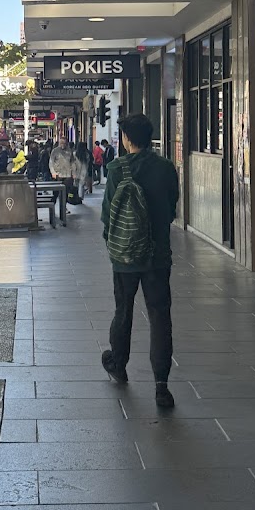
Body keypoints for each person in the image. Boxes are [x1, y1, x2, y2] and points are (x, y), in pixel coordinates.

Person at [100, 113, 179, 411]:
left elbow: (107, 216)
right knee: (160, 316)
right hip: (157, 255)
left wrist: (115, 242)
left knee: (123, 309)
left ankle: (118, 363)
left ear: (126, 139)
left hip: (125, 257)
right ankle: (161, 385)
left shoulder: (116, 169)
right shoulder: (166, 168)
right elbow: (171, 208)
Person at [49, 137, 76, 201]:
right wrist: (53, 172)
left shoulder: (69, 151)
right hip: (58, 174)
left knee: (66, 192)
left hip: (67, 174)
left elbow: (72, 162)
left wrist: (74, 173)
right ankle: (53, 203)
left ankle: (64, 205)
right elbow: (51, 162)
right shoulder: (55, 151)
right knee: (56, 192)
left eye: (64, 143)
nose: (62, 144)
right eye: (61, 143)